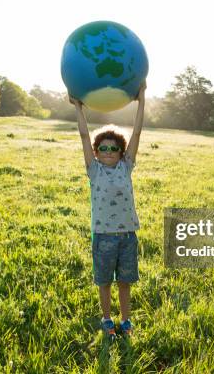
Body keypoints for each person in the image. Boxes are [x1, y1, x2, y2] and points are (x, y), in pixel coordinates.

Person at [70, 81, 146, 340]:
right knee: (104, 282)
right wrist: (79, 108)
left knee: (125, 283)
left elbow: (137, 133)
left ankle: (125, 321)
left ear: (121, 151)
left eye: (114, 148)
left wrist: (142, 98)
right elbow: (83, 135)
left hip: (127, 237)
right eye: (103, 147)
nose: (109, 151)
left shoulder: (126, 167)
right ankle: (107, 319)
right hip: (102, 237)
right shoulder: (94, 170)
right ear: (96, 151)